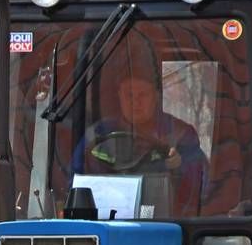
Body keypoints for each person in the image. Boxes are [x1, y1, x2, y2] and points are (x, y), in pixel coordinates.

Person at [71, 73, 206, 208]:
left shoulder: (181, 135)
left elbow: (200, 187)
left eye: (143, 94)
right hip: (106, 220)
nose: (136, 102)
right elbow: (73, 182)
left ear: (156, 96)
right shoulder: (98, 134)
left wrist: (178, 166)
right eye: (129, 95)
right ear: (119, 96)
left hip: (167, 223)